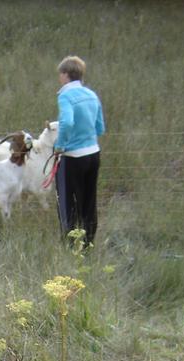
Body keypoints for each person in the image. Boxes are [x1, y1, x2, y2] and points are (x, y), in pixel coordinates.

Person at [54, 56, 105, 249]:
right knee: (89, 201)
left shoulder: (65, 96)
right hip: (93, 153)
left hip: (72, 156)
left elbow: (67, 122)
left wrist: (60, 145)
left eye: (60, 74)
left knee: (67, 203)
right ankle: (88, 243)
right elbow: (100, 127)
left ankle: (68, 244)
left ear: (65, 75)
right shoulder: (91, 95)